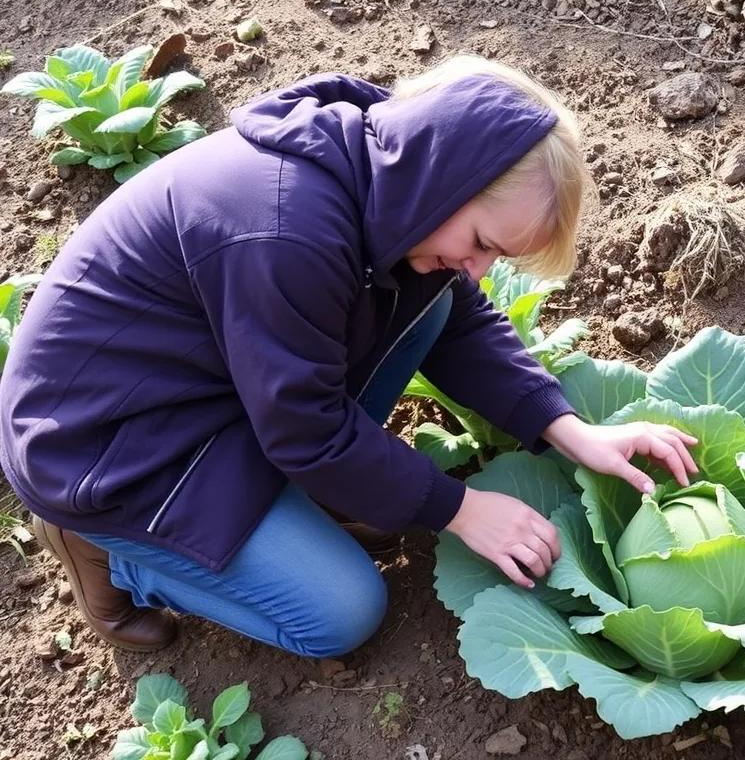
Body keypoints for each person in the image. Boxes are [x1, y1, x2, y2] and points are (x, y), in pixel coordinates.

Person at [0, 55, 698, 658]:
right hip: (107, 448)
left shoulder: (389, 176)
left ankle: (291, 503)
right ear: (448, 178)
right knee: (341, 613)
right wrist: (459, 509)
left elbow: (458, 320)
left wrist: (569, 429)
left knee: (435, 308)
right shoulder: (285, 232)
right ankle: (113, 557)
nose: (482, 269)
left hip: (218, 389)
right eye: (485, 242)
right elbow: (305, 430)